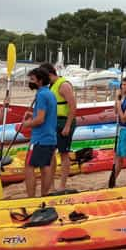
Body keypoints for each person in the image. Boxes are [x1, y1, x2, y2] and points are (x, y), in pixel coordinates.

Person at [40, 63, 77, 192]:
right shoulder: (50, 86)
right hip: (53, 123)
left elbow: (73, 106)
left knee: (64, 154)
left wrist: (67, 126)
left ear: (49, 74)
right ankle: (51, 185)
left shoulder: (64, 85)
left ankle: (62, 185)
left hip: (64, 122)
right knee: (51, 154)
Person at [22, 67, 57, 197]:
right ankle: (44, 195)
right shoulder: (49, 93)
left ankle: (32, 196)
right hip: (49, 136)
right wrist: (32, 113)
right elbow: (45, 114)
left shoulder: (42, 95)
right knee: (45, 166)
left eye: (32, 79)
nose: (30, 82)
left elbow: (40, 119)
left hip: (40, 137)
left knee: (29, 166)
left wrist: (27, 124)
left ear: (40, 81)